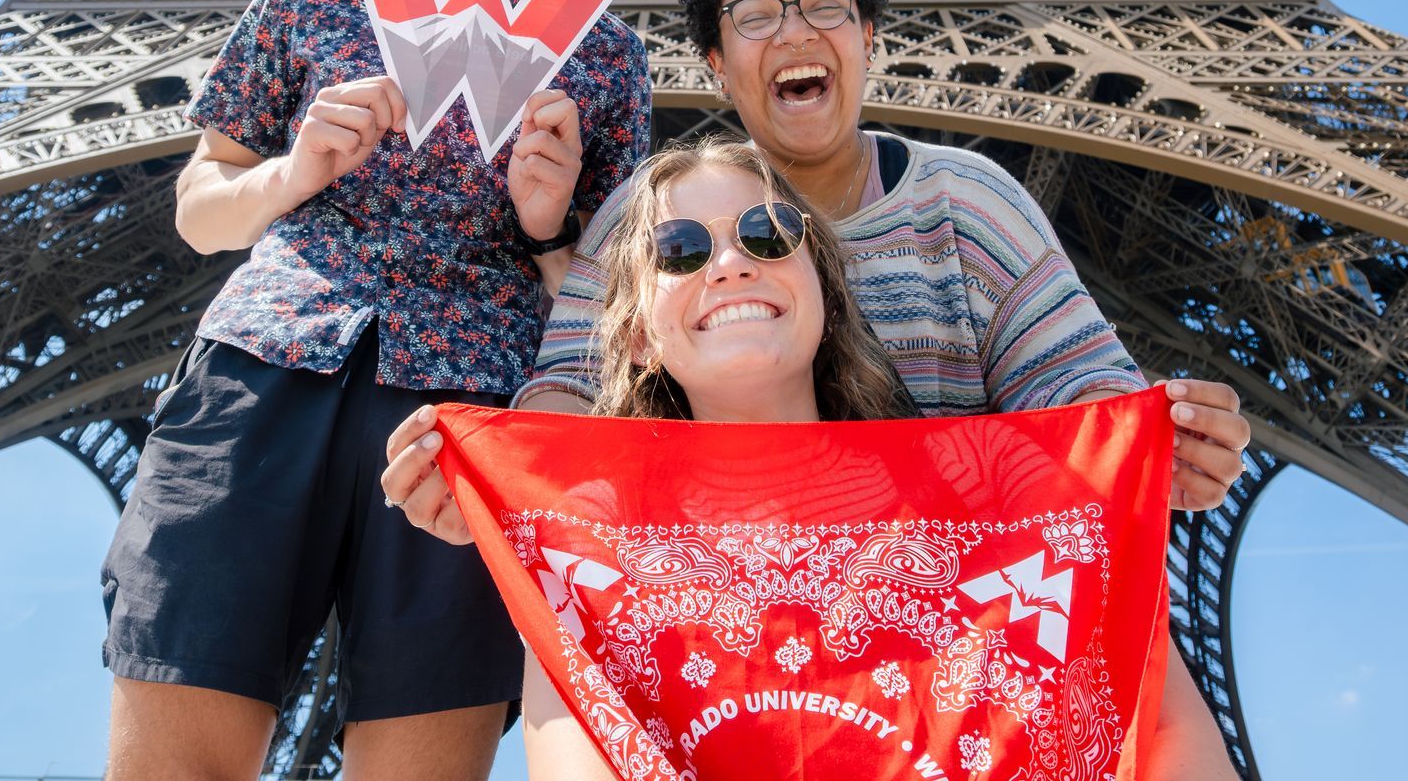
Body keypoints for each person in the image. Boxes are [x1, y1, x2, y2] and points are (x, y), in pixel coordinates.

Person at [98, 0, 652, 781]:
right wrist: (293, 171)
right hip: (266, 364)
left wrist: (551, 225)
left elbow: (615, 306)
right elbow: (201, 204)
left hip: (471, 417)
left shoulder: (607, 54)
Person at [387, 0, 1252, 549]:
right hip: (721, 613)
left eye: (825, 7)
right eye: (756, 18)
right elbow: (572, 396)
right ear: (720, 69)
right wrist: (495, 474)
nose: (794, 30)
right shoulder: (645, 215)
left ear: (868, 34)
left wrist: (1153, 437)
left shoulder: (968, 199)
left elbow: (1073, 386)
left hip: (965, 616)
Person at [384, 139, 1238, 779]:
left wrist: (1152, 443)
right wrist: (501, 476)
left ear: (825, 288)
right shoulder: (588, 550)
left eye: (766, 233)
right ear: (639, 336)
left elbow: (1150, 717)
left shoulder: (997, 500)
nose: (727, 264)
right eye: (677, 251)